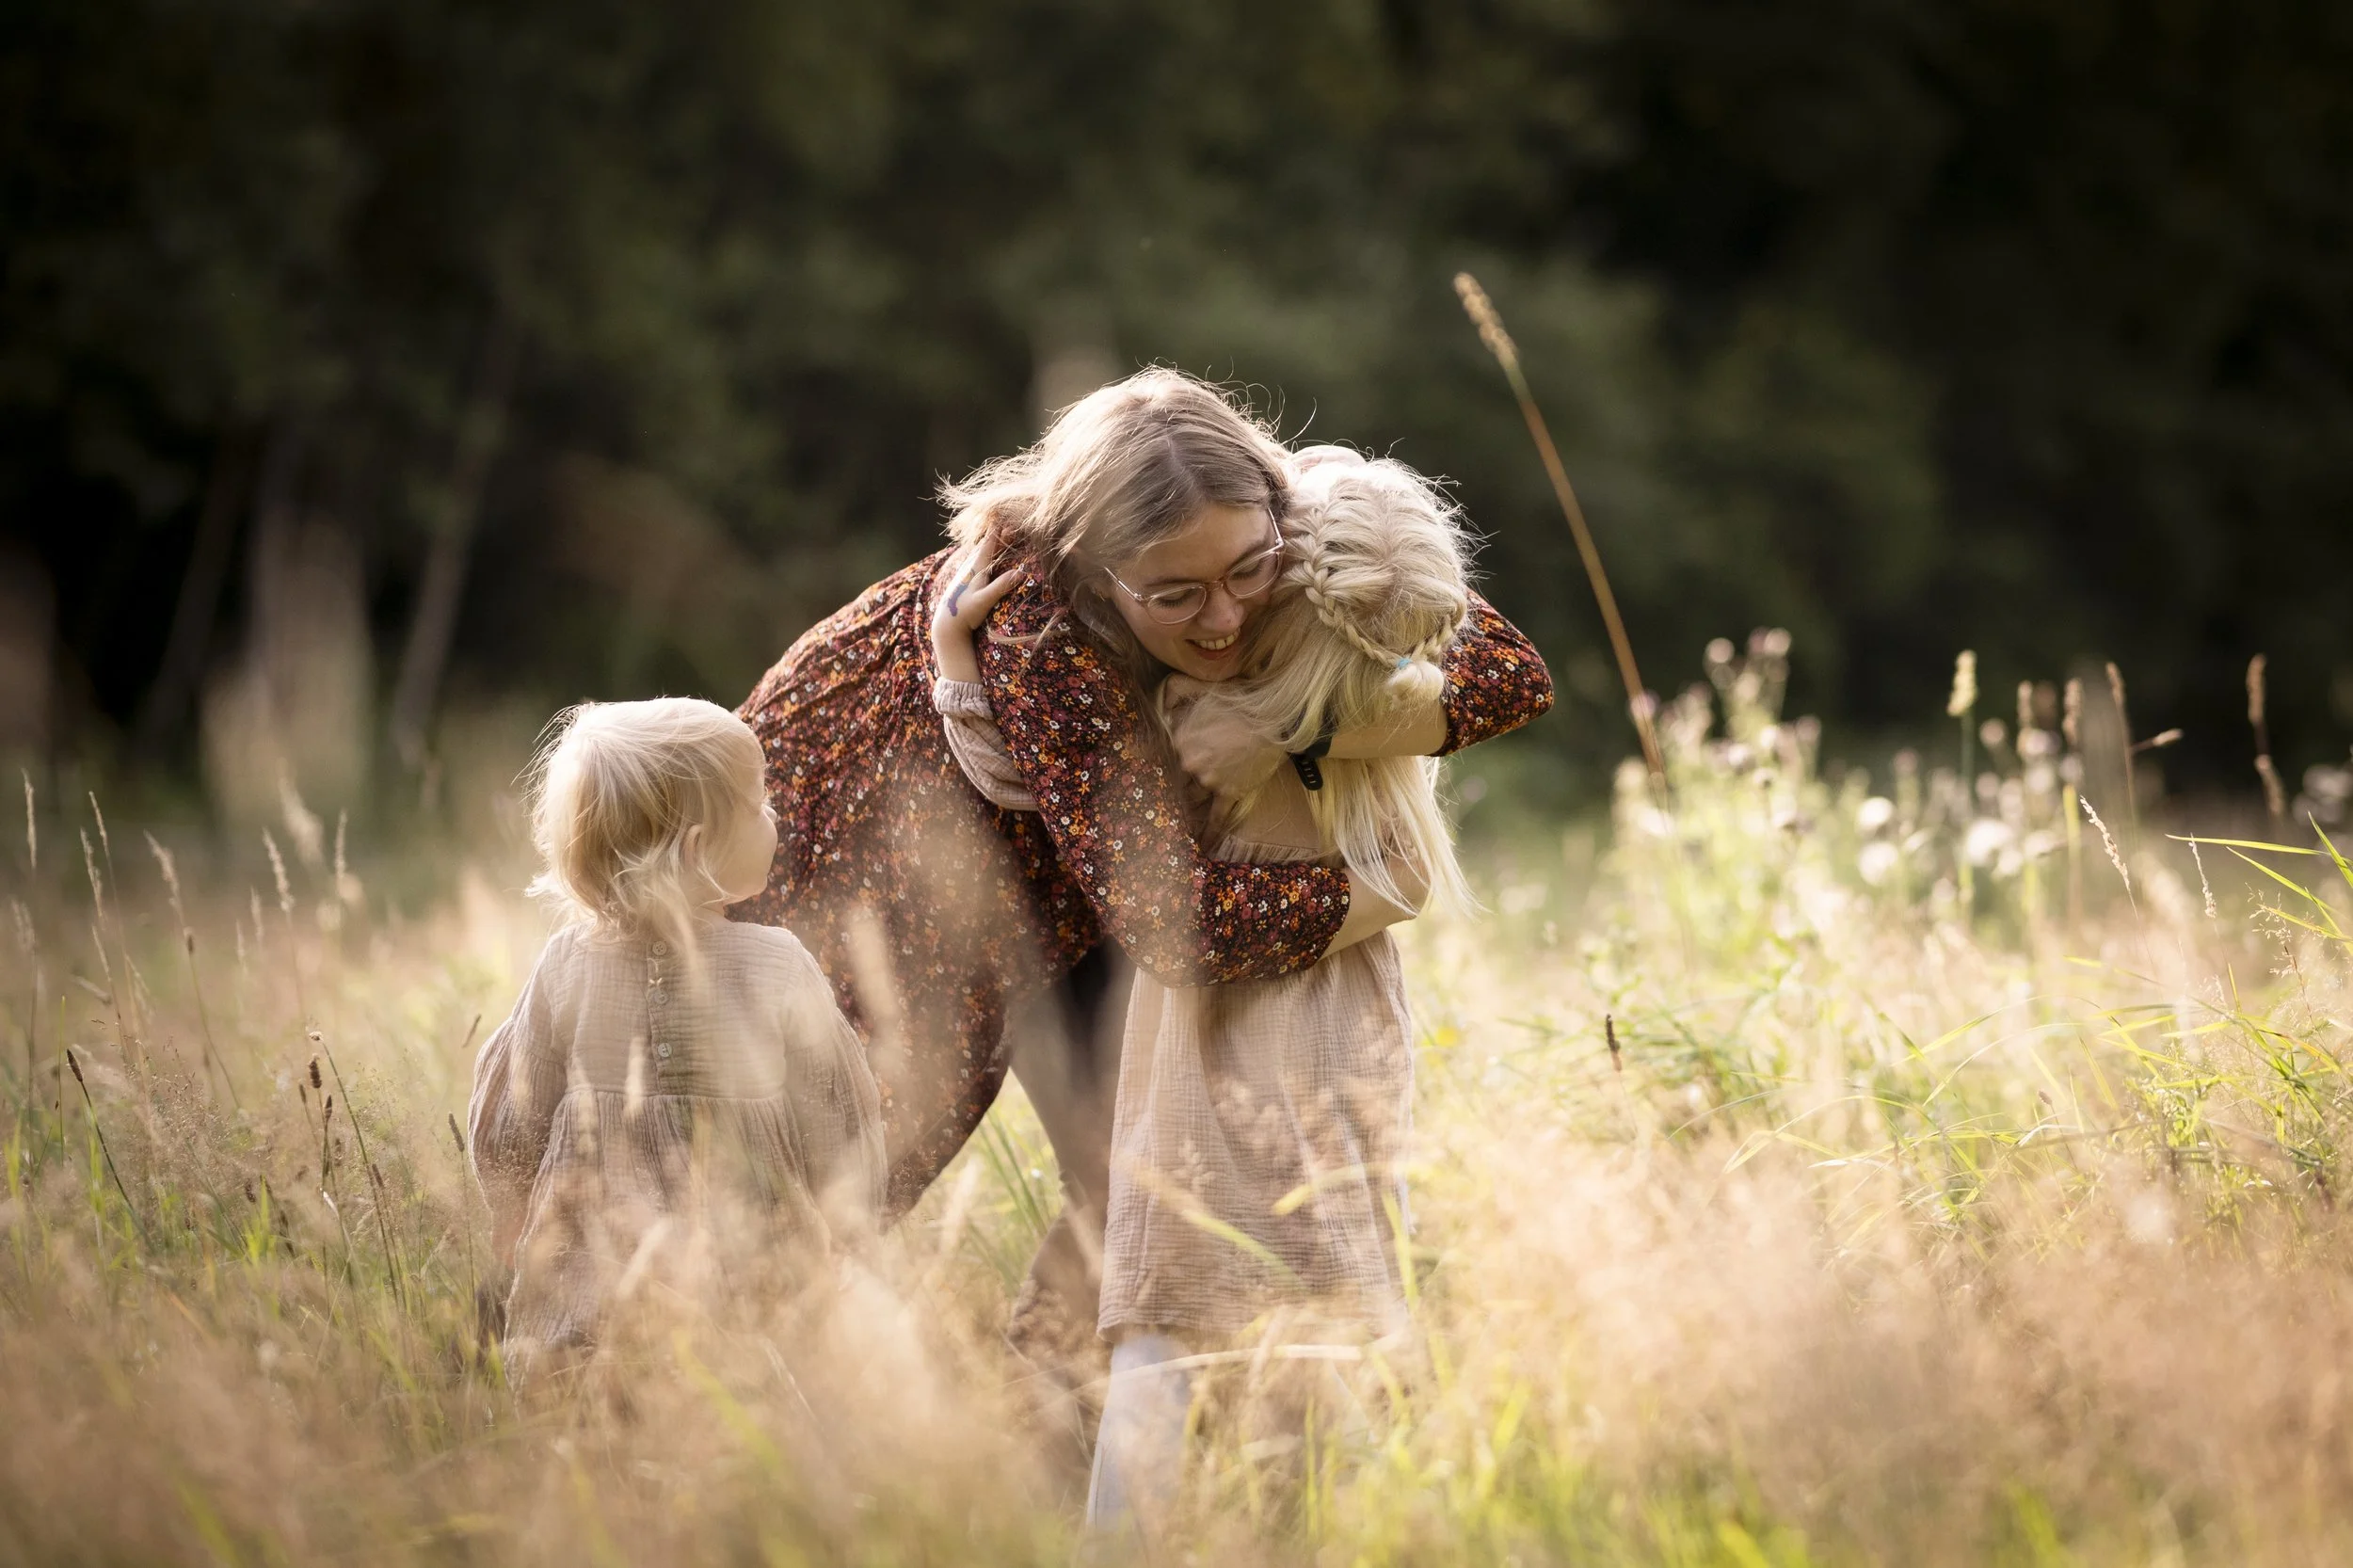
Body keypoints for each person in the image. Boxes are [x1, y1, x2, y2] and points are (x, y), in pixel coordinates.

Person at [732, 369, 1553, 1355]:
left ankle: (1065, 1415)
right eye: (1174, 595)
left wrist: (1277, 724)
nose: (1224, 620)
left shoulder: (1268, 515)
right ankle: (604, 1375)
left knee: (1138, 1178)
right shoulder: (1033, 625)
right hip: (866, 851)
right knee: (805, 1188)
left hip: (1096, 860)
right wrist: (1377, 890)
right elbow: (1189, 926)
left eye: (1250, 574)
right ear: (1092, 571)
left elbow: (1508, 671)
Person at [933, 446, 1475, 1532]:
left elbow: (1019, 784)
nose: (1221, 617)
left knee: (1171, 1315)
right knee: (1317, 1299)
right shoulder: (1370, 710)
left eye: (1248, 579)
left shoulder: (1212, 707)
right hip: (1331, 1028)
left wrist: (956, 660)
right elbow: (1404, 870)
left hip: (1215, 1039)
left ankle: (1135, 1540)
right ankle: (1357, 1530)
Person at [470, 697, 886, 1361]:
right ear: (697, 852)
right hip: (751, 1277)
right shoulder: (776, 965)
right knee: (754, 1411)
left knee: (591, 1411)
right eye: (758, 805)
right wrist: (851, 1226)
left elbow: (512, 1114)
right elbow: (838, 1115)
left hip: (594, 1279)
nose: (773, 816)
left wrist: (510, 1205)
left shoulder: (566, 965)